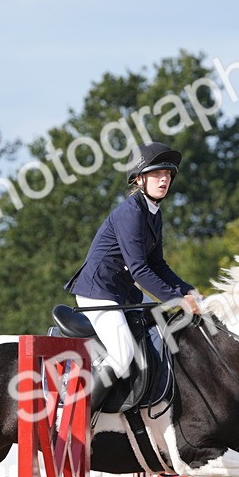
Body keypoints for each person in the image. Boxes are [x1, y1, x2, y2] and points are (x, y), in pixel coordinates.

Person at [64, 141, 203, 412]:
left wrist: (188, 290)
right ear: (139, 179)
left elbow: (158, 265)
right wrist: (177, 299)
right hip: (98, 292)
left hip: (123, 293)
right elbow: (139, 270)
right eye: (157, 174)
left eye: (168, 175)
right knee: (122, 354)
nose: (164, 179)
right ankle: (76, 416)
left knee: (164, 332)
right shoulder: (131, 212)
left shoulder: (153, 213)